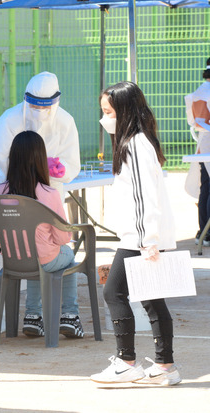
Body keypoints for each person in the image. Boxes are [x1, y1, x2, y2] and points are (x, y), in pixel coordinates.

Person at [90, 81, 180, 385]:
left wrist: (146, 241)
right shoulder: (140, 142)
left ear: (124, 111)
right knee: (152, 299)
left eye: (108, 111)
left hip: (140, 238)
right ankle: (165, 366)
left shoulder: (134, 145)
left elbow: (143, 197)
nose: (105, 118)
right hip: (146, 236)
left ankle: (127, 360)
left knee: (112, 291)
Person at [0, 131, 84, 338]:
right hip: (45, 259)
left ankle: (33, 316)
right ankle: (69, 316)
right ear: (40, 160)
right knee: (67, 257)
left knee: (37, 260)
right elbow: (63, 237)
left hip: (12, 261)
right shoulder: (49, 193)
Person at [0, 71, 81, 195]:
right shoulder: (9, 120)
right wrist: (37, 166)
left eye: (45, 107)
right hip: (11, 187)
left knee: (48, 215)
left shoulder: (65, 121)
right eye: (34, 106)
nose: (40, 111)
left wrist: (61, 169)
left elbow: (71, 162)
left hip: (49, 189)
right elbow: (3, 162)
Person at [184, 57, 210, 246]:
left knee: (205, 188)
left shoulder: (196, 93)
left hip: (203, 144)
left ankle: (203, 230)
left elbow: (192, 122)